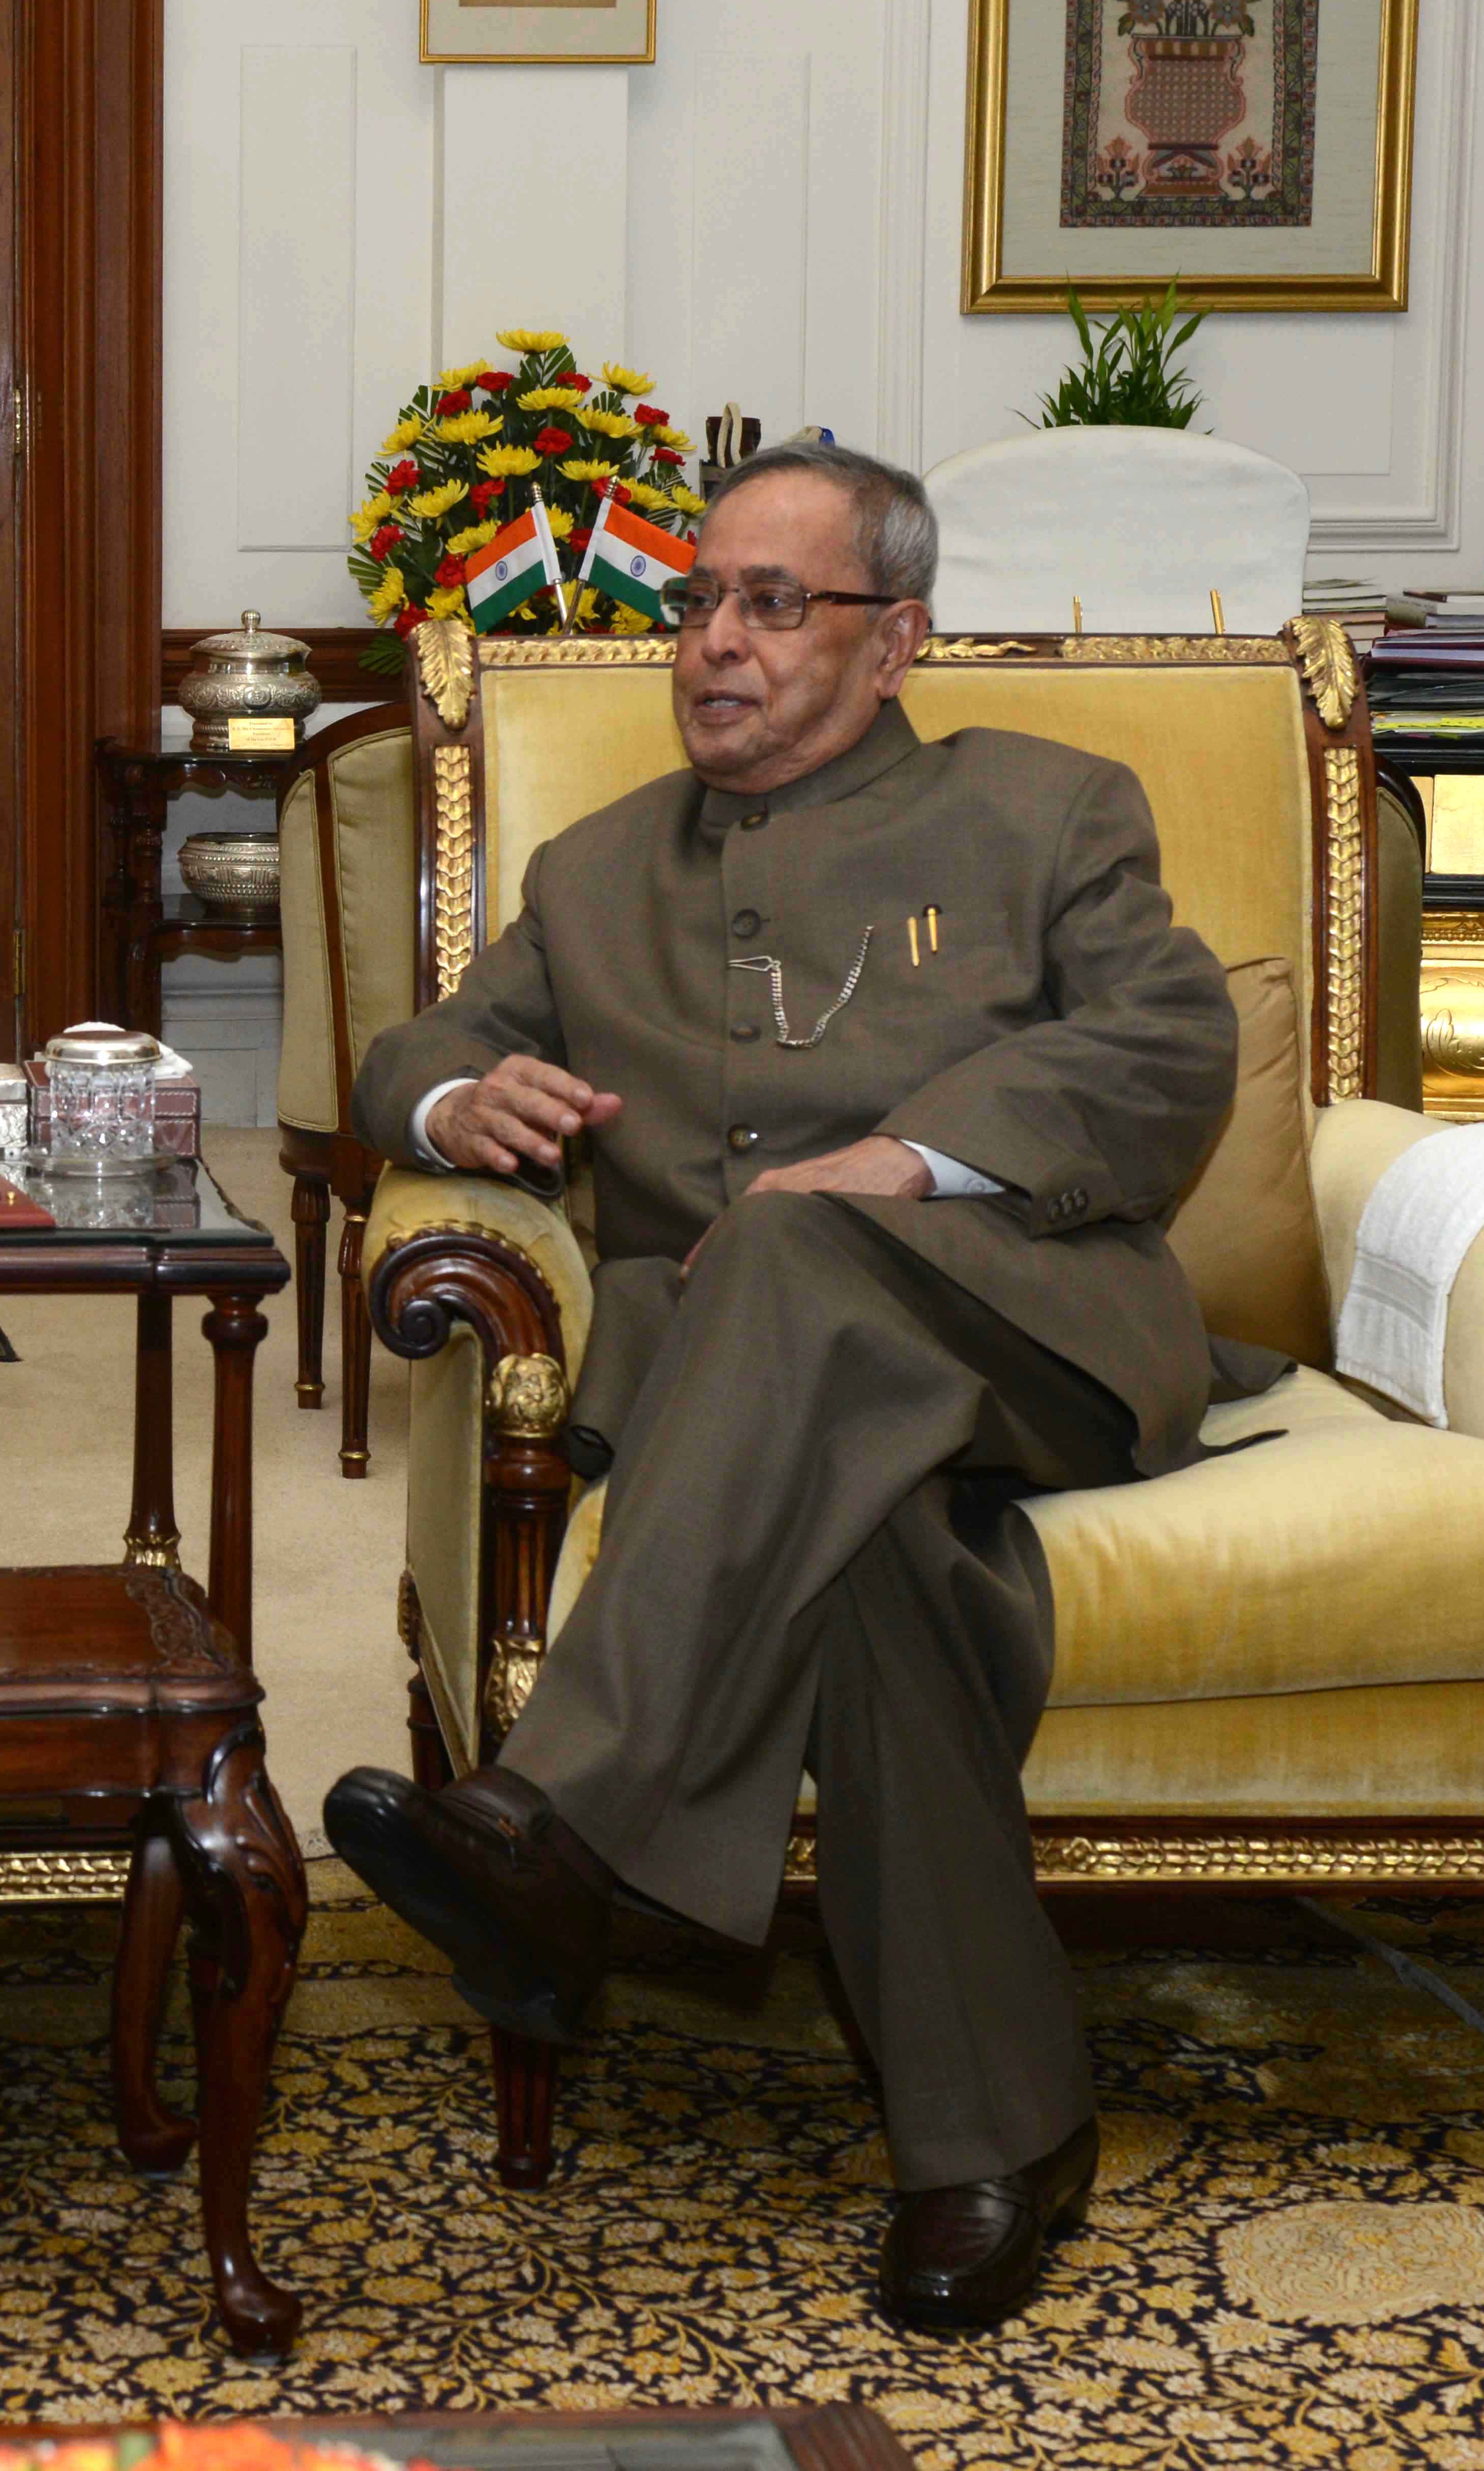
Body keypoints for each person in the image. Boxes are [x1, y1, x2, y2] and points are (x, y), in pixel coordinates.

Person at [324, 442, 1253, 2330]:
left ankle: (571, 1824)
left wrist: (909, 1164)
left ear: (898, 638)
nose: (714, 644)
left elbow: (1169, 1045)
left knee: (787, 1243)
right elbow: (421, 1044)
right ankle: (999, 2135)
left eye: (774, 603)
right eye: (696, 602)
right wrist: (446, 1098)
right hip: (784, 1419)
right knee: (884, 1556)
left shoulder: (1046, 808)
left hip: (1031, 1326)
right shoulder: (597, 874)